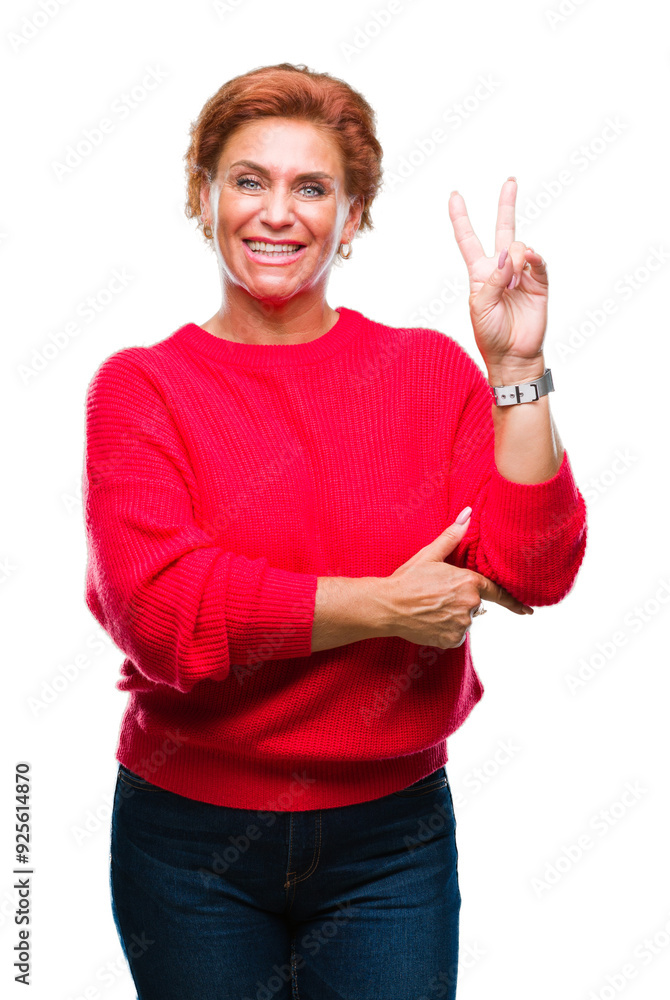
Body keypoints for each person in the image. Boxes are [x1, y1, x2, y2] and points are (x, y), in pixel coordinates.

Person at [82, 62, 588, 1000]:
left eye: (311, 188)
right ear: (205, 197)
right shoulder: (140, 389)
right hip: (187, 843)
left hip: (390, 841)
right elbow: (163, 614)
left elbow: (535, 566)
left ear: (351, 218)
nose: (278, 212)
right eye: (249, 180)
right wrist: (386, 605)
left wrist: (517, 367)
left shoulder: (429, 375)